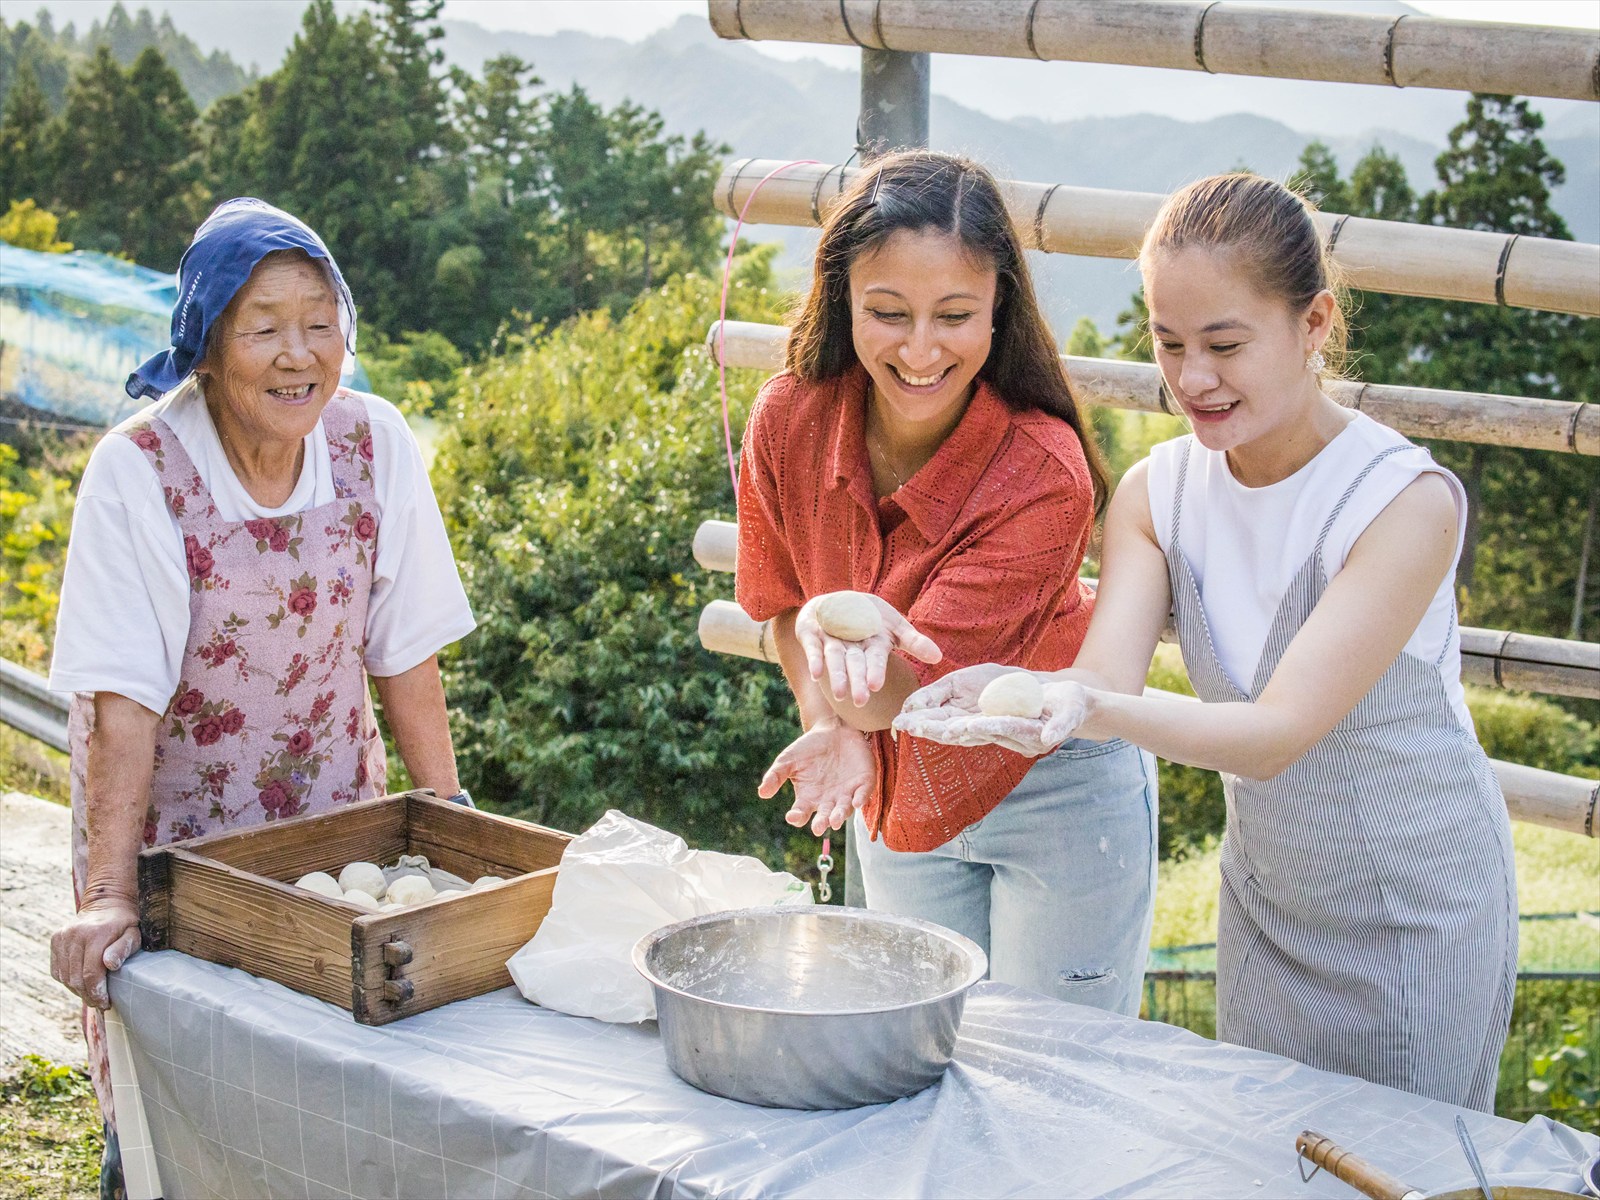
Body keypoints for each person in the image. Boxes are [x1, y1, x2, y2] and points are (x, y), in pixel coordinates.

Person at [896, 173, 1517, 1111]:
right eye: (1168, 343)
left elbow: (1274, 735)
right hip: (1269, 911)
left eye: (1226, 345)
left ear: (1314, 325)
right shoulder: (1160, 493)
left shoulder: (1400, 500)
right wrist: (1011, 687)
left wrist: (1089, 704)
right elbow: (1104, 682)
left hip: (1419, 915)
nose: (1192, 380)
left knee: (1406, 1169)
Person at [47, 198, 476, 1191]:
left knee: (329, 1106)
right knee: (179, 1114)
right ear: (206, 345)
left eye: (319, 323)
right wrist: (110, 895)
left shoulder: (374, 444)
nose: (299, 356)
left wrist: (449, 827)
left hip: (337, 831)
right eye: (264, 327)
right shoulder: (142, 471)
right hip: (177, 849)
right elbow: (123, 702)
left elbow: (404, 651)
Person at [736, 150, 1158, 1014]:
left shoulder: (1043, 473)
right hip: (893, 789)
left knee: (1055, 1072)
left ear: (1000, 305)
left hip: (1055, 788)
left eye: (955, 315)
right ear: (842, 301)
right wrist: (827, 721)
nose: (921, 349)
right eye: (887, 313)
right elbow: (782, 607)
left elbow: (902, 689)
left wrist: (838, 651)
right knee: (916, 1051)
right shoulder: (789, 416)